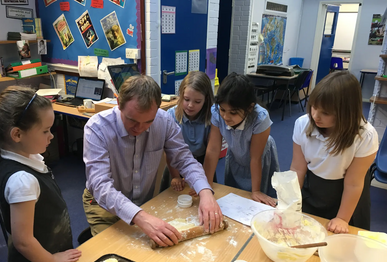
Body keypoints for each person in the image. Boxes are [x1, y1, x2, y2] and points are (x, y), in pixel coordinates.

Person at [82, 75, 222, 247]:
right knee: (114, 253)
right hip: (103, 206)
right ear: (119, 103)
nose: (139, 129)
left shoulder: (164, 121)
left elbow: (184, 159)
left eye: (148, 122)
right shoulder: (97, 128)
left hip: (143, 203)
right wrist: (141, 217)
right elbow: (100, 186)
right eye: (132, 120)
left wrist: (205, 193)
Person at [0, 87, 81, 262]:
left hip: (48, 252)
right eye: (45, 130)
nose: (52, 135)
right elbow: (24, 242)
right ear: (17, 134)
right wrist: (53, 260)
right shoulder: (23, 180)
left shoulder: (27, 157)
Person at [290, 72, 378, 233]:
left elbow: (353, 183)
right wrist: (289, 203)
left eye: (326, 112)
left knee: (341, 243)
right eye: (314, 106)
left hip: (347, 196)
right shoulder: (303, 124)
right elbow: (297, 169)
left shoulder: (365, 135)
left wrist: (342, 219)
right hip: (314, 188)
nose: (316, 116)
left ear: (346, 113)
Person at [203, 72, 279, 206]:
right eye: (223, 110)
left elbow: (255, 158)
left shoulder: (260, 118)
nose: (226, 117)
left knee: (257, 201)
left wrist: (256, 190)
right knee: (234, 197)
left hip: (259, 158)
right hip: (236, 155)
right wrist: (206, 184)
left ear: (249, 108)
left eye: (233, 112)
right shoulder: (216, 112)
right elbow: (213, 149)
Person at [160, 71, 214, 193]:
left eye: (197, 101)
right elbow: (169, 151)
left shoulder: (211, 117)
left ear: (206, 100)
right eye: (186, 99)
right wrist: (175, 176)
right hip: (175, 165)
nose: (190, 105)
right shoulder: (171, 115)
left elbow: (211, 152)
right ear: (181, 95)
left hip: (203, 165)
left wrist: (204, 181)